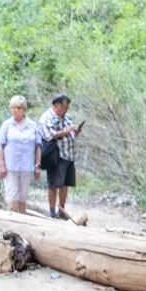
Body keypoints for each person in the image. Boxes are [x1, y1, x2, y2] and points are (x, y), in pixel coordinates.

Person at [38, 92, 81, 220]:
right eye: (64, 108)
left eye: (67, 108)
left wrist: (75, 132)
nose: (66, 111)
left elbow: (70, 134)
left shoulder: (67, 116)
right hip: (56, 155)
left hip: (69, 155)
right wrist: (68, 131)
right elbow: (49, 135)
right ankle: (52, 212)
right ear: (56, 106)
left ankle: (61, 210)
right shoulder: (46, 117)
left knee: (65, 184)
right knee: (53, 184)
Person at [0, 96, 41, 213]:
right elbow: (0, 145)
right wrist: (1, 165)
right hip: (10, 166)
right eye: (12, 108)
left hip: (27, 166)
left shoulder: (33, 125)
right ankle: (11, 221)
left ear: (24, 109)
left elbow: (37, 147)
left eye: (18, 108)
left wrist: (37, 165)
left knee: (22, 196)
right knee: (11, 195)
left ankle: (22, 220)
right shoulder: (7, 124)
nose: (14, 110)